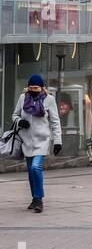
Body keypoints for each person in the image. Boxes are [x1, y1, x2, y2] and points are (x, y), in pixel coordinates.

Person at [11, 75, 62, 213]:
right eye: (31, 88)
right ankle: (34, 198)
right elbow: (15, 115)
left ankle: (39, 199)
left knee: (35, 168)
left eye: (36, 88)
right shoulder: (23, 98)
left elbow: (55, 121)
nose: (33, 90)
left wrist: (57, 141)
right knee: (31, 172)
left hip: (42, 140)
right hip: (26, 140)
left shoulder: (49, 100)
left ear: (42, 88)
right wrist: (19, 121)